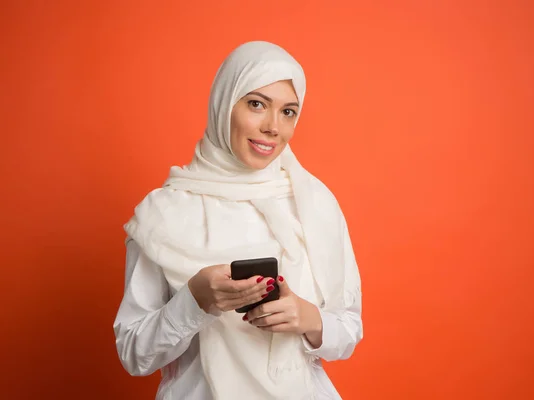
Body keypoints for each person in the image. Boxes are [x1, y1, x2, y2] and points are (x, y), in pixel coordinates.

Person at [113, 40, 363, 400]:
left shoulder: (314, 204)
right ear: (224, 104)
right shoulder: (163, 214)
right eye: (257, 104)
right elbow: (134, 355)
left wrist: (309, 318)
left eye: (289, 111)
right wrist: (196, 301)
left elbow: (349, 329)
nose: (273, 127)